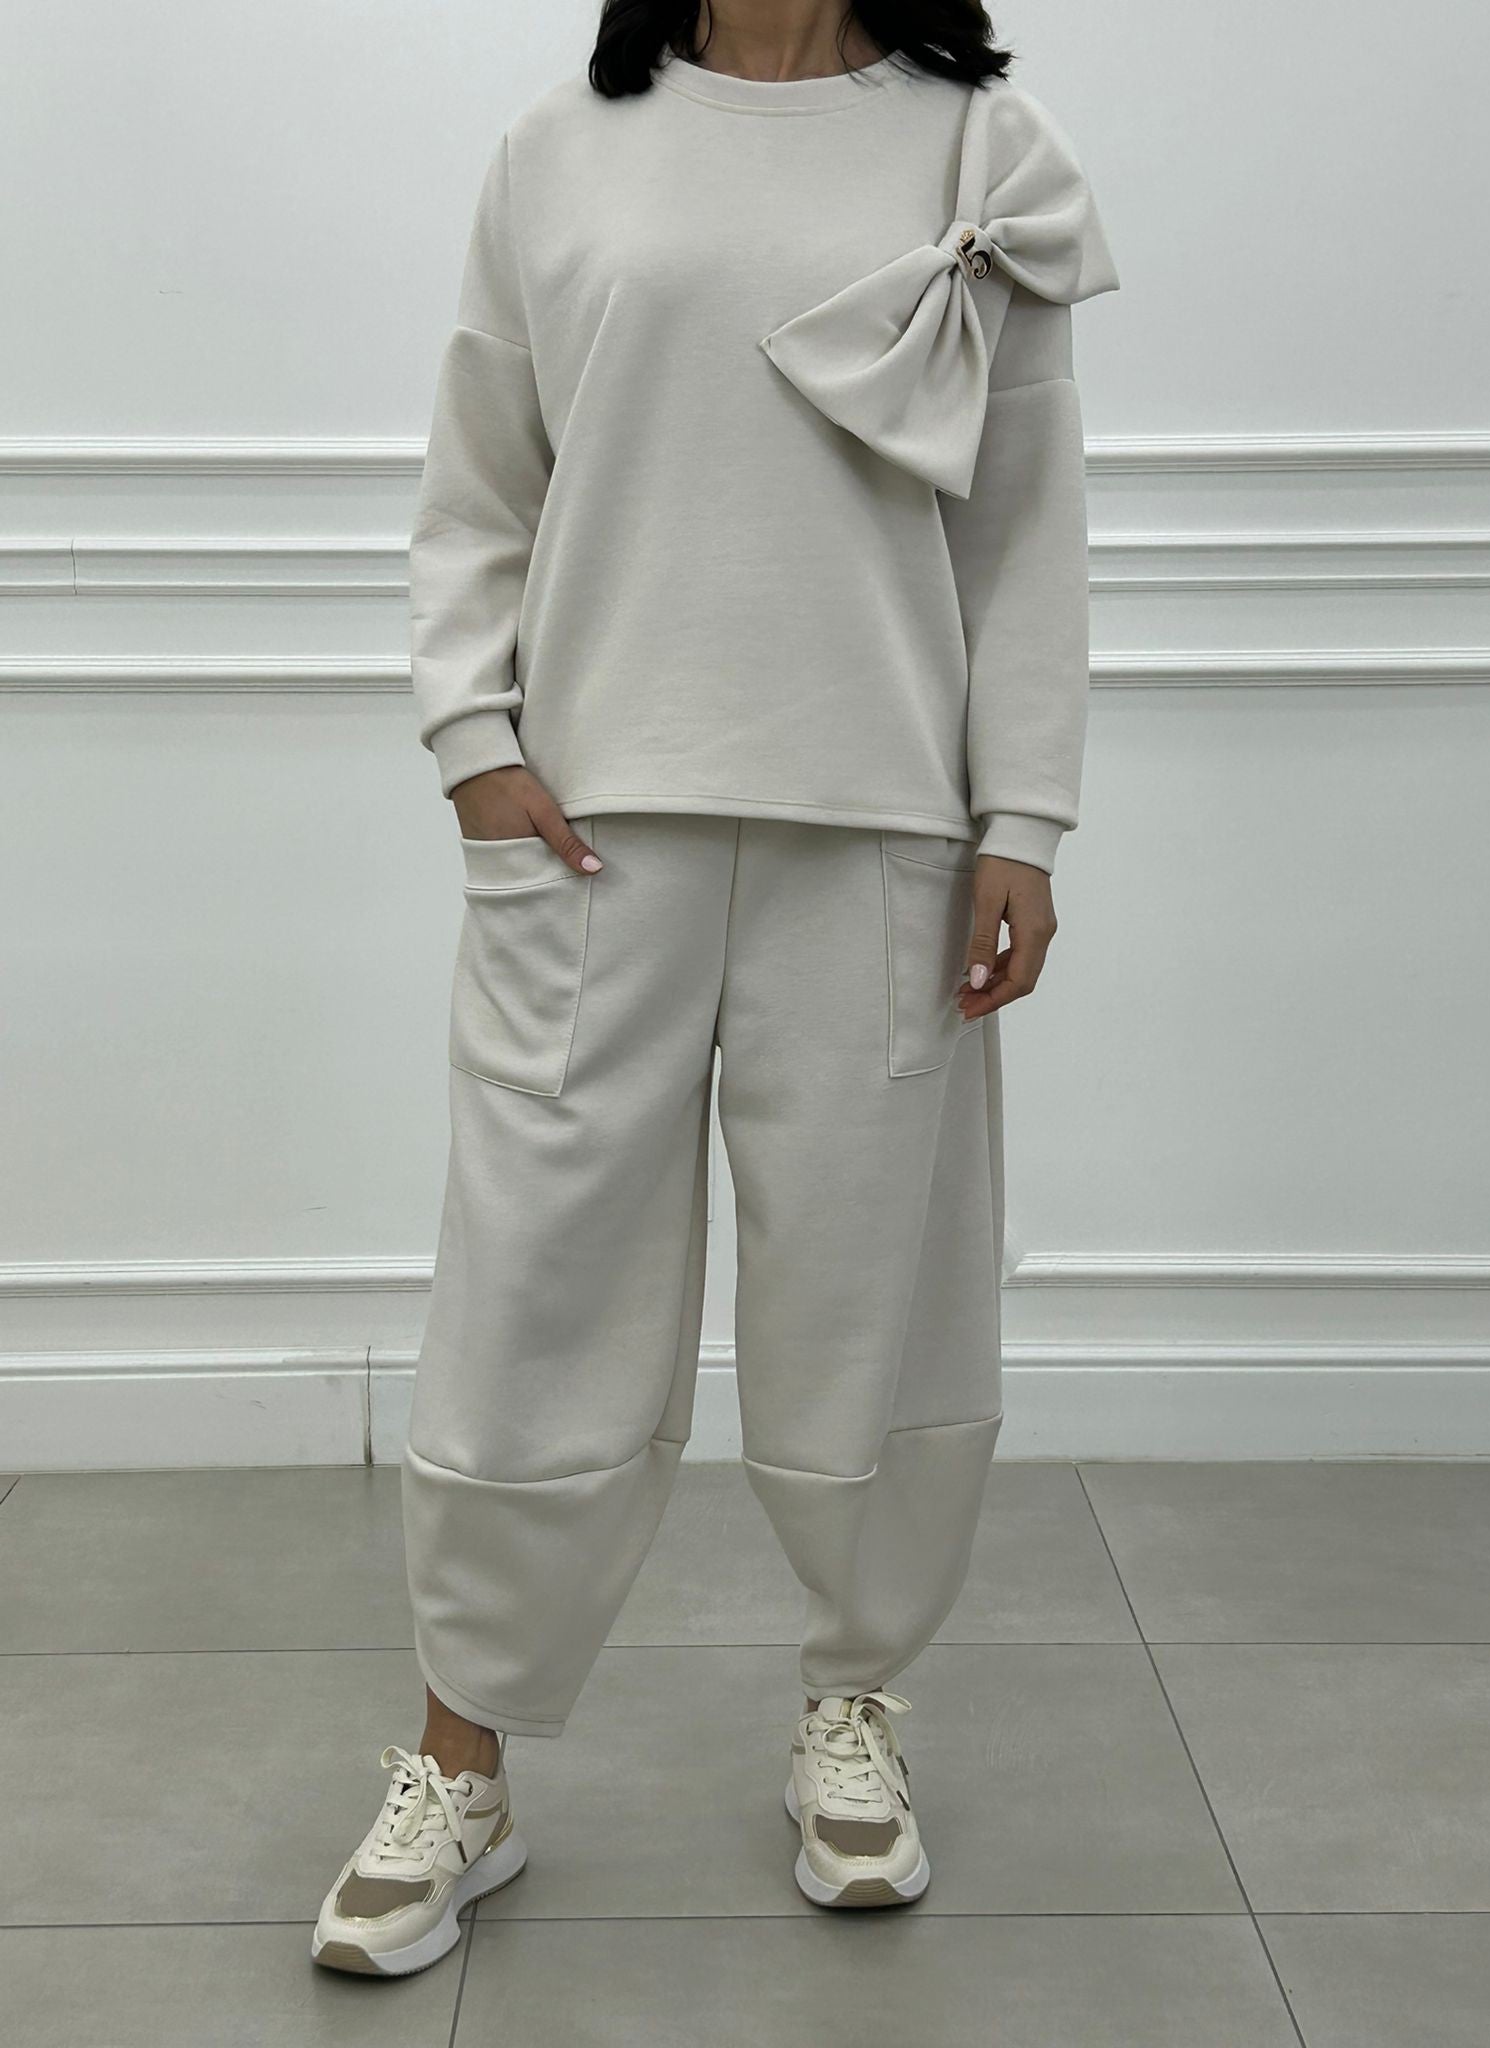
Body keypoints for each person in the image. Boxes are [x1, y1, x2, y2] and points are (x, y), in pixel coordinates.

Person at [313, 0, 1116, 1976]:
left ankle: (855, 1705)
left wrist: (1023, 814)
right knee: (534, 1289)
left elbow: (1024, 516)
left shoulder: (979, 149)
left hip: (885, 821)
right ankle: (461, 1762)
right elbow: (480, 475)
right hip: (592, 824)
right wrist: (471, 735)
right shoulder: (561, 147)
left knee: (871, 1292)